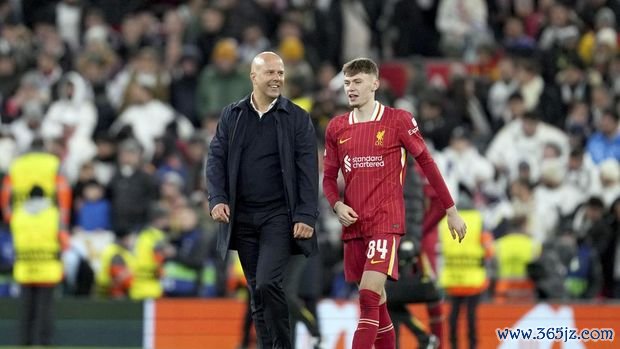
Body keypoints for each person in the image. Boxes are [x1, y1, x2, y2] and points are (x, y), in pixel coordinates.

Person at [322, 57, 467, 349]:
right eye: (348, 83)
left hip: (386, 222)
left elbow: (426, 162)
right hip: (354, 224)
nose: (351, 89)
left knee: (367, 296)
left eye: (358, 82)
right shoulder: (337, 128)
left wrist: (451, 210)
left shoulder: (397, 120)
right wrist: (336, 205)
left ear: (375, 84)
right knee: (380, 306)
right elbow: (327, 178)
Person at [206, 51, 319, 349]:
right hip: (242, 217)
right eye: (270, 73)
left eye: (280, 73)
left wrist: (306, 215)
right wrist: (217, 198)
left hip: (279, 216)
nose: (277, 78)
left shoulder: (297, 118)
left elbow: (308, 169)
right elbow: (216, 158)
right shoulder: (232, 114)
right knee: (256, 292)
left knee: (269, 282)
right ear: (253, 77)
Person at [11, 186, 65, 346]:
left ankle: (25, 341)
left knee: (26, 309)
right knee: (45, 309)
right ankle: (44, 342)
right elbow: (62, 238)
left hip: (25, 267)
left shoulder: (18, 214)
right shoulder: (53, 214)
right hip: (47, 267)